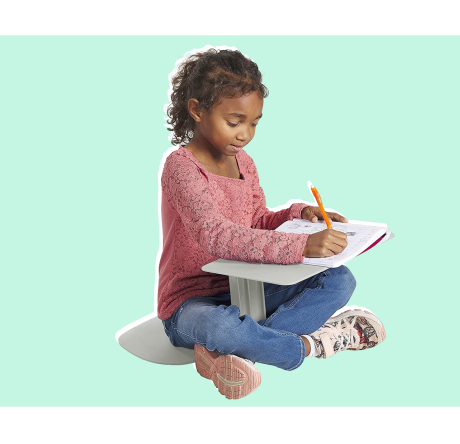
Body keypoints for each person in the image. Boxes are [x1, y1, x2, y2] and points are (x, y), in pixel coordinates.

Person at [158, 47, 386, 400]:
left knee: (339, 279)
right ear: (197, 110)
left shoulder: (244, 163)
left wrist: (296, 214)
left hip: (246, 286)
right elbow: (216, 236)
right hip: (190, 301)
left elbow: (257, 222)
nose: (245, 134)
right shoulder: (182, 167)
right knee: (219, 325)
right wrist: (301, 246)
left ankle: (229, 355)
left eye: (253, 123)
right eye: (234, 122)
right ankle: (313, 345)